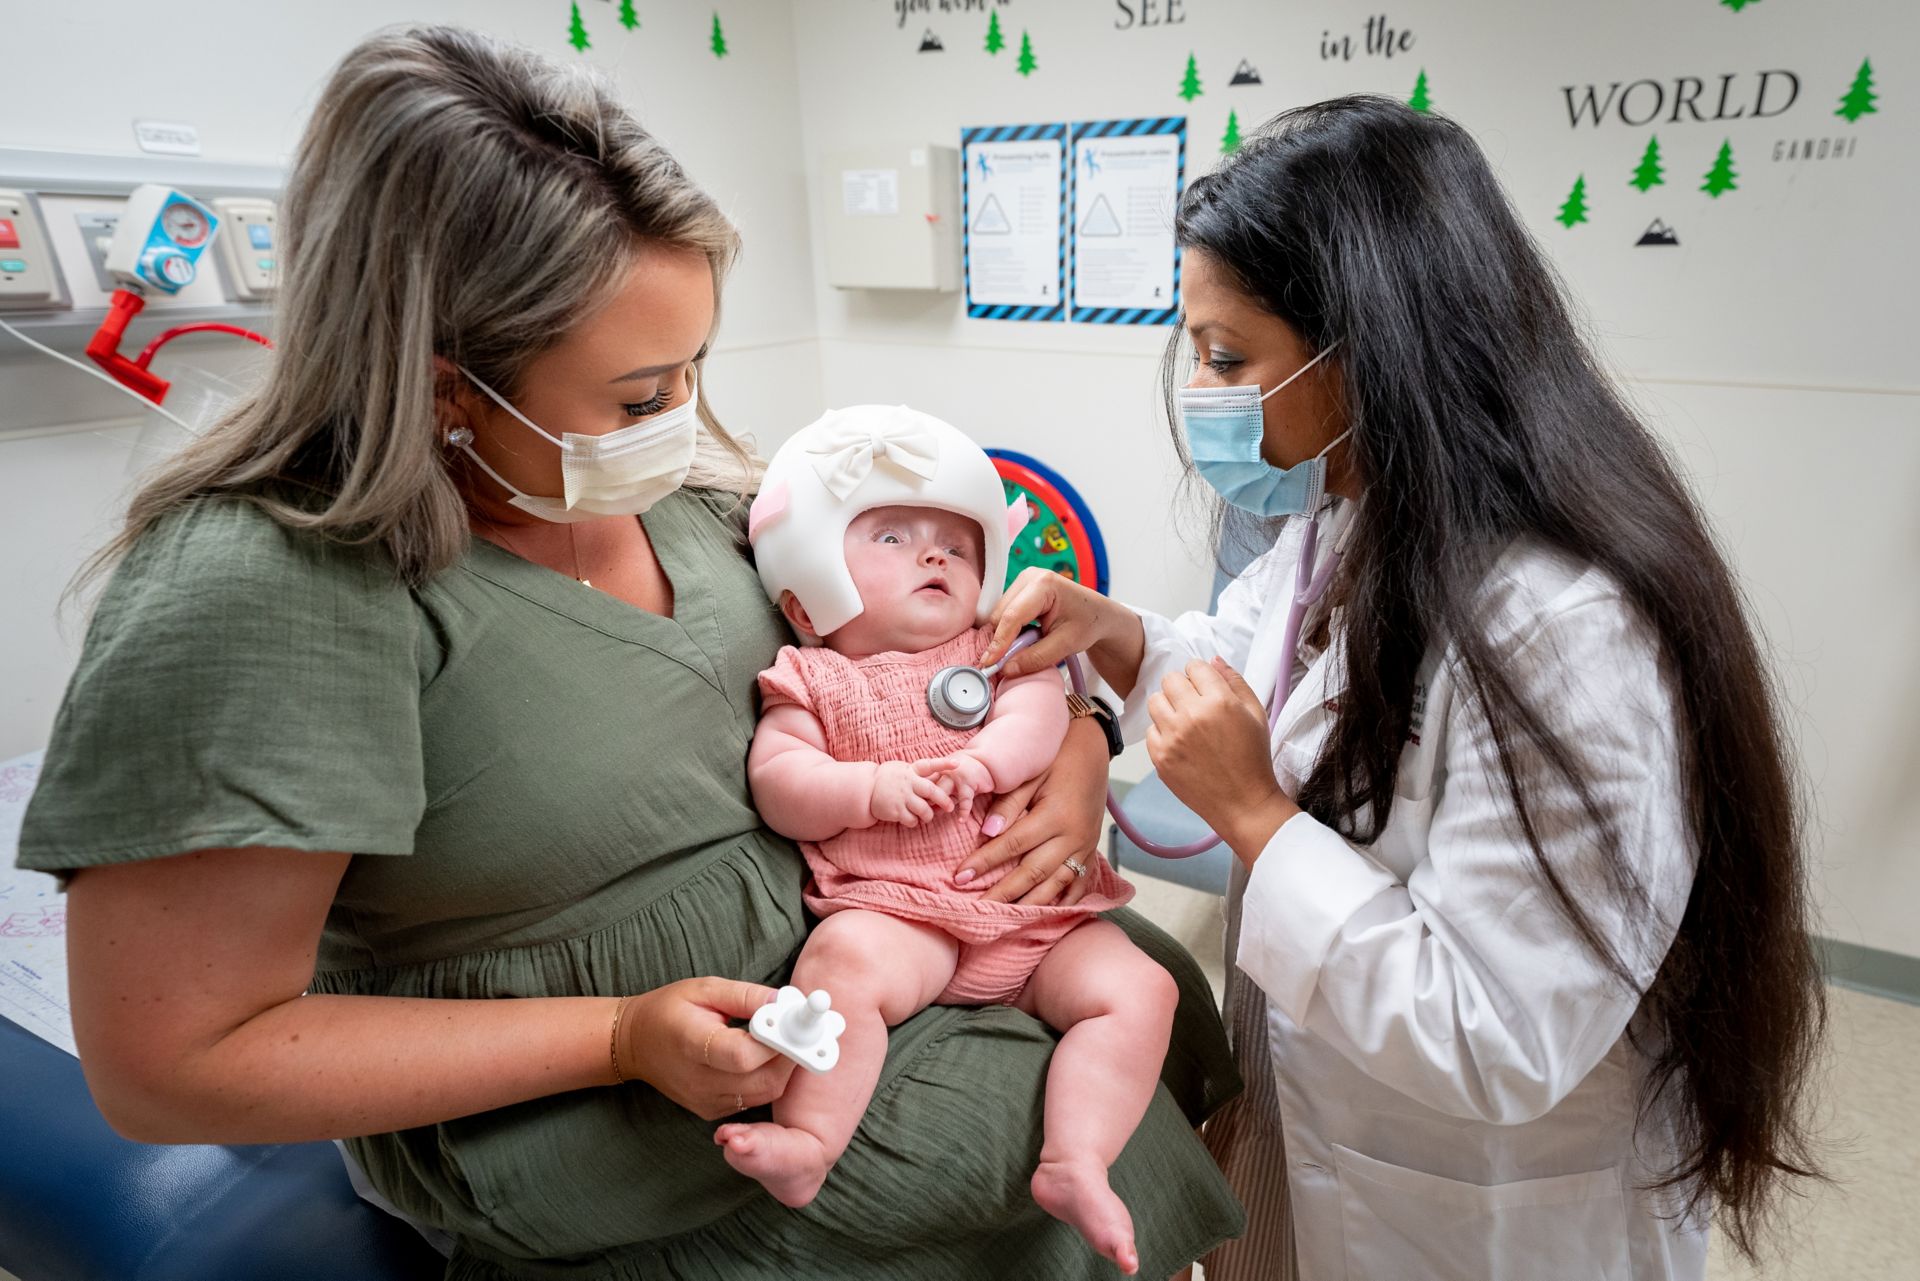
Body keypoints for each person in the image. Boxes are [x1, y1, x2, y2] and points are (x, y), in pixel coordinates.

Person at [15, 26, 1243, 1280]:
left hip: (899, 957)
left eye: (693, 370)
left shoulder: (700, 501)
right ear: (445, 387)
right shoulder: (264, 594)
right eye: (643, 395)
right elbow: (177, 1061)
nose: (687, 422)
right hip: (639, 1151)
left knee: (1136, 1004)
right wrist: (616, 1035)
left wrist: (1082, 745)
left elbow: (930, 658)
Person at [980, 96, 1826, 1281]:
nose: (1207, 394)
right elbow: (1257, 671)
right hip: (1325, 1139)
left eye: (1231, 359)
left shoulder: (1565, 629)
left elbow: (1504, 1037)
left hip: (1481, 1216)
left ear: (1370, 347)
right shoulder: (1354, 513)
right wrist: (1119, 640)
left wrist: (1256, 822)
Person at [724, 408, 1171, 1275]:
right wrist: (863, 789)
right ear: (804, 591)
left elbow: (1042, 715)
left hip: (1033, 920)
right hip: (902, 918)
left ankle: (1076, 1159)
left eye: (954, 544)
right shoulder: (810, 678)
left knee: (1140, 990)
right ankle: (811, 1142)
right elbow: (779, 781)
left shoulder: (997, 652)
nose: (934, 555)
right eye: (893, 535)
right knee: (842, 965)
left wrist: (985, 759)